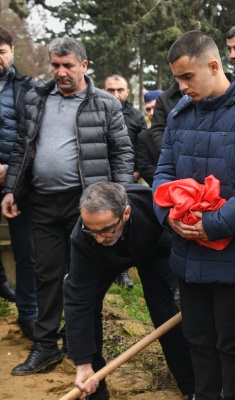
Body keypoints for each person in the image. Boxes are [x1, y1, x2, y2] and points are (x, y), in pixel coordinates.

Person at [2, 36, 133, 376]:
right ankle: (46, 346)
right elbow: (21, 148)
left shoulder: (105, 104)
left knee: (82, 277)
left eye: (68, 65)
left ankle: (79, 346)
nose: (61, 72)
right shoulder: (36, 99)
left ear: (84, 66)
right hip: (43, 201)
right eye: (56, 65)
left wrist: (117, 199)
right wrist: (10, 190)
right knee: (46, 274)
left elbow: (122, 152)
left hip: (85, 205)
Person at [153, 31, 235, 399]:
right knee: (198, 340)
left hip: (234, 256)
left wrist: (213, 225)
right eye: (176, 78)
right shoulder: (179, 114)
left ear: (214, 65)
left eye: (187, 77)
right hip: (187, 255)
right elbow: (162, 173)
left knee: (232, 344)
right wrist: (166, 215)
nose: (181, 86)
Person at [63, 182, 195, 400]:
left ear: (126, 213)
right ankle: (95, 389)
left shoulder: (150, 202)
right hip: (101, 260)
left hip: (153, 249)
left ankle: (192, 387)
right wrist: (82, 362)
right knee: (89, 307)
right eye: (91, 229)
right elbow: (78, 300)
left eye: (105, 229)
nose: (98, 237)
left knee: (164, 313)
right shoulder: (85, 239)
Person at [0, 26, 37, 340]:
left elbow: (32, 135)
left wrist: (12, 170)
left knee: (27, 250)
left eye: (1, 51)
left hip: (18, 182)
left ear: (12, 51)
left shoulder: (28, 88)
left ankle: (28, 314)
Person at [103, 74, 146, 288]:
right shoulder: (98, 111)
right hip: (101, 179)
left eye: (120, 90)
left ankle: (124, 273)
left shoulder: (137, 118)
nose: (116, 94)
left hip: (128, 179)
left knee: (124, 226)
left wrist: (136, 170)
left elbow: (141, 147)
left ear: (127, 92)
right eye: (111, 90)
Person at [136, 89, 164, 186]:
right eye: (148, 109)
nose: (152, 113)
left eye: (155, 107)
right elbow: (145, 168)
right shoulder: (143, 137)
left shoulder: (183, 130)